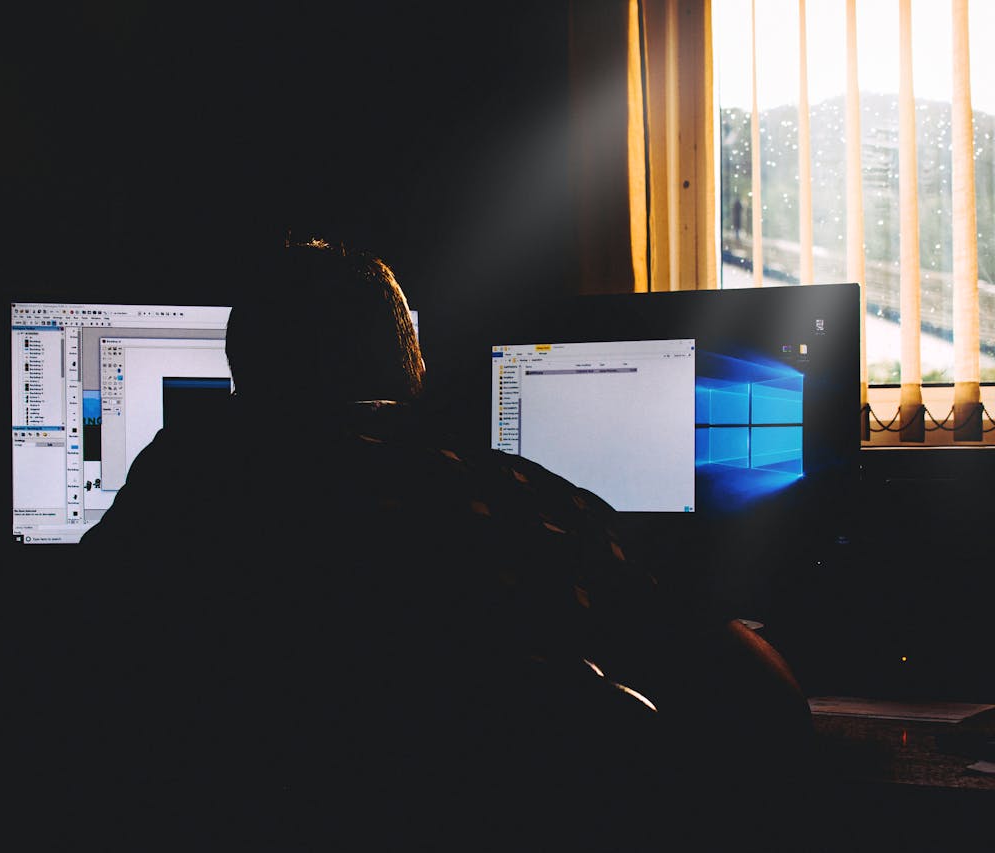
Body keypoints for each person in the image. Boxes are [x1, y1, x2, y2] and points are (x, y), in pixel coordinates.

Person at [73, 236, 817, 850]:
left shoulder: (176, 493)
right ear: (414, 372)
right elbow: (768, 702)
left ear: (245, 380)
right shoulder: (519, 501)